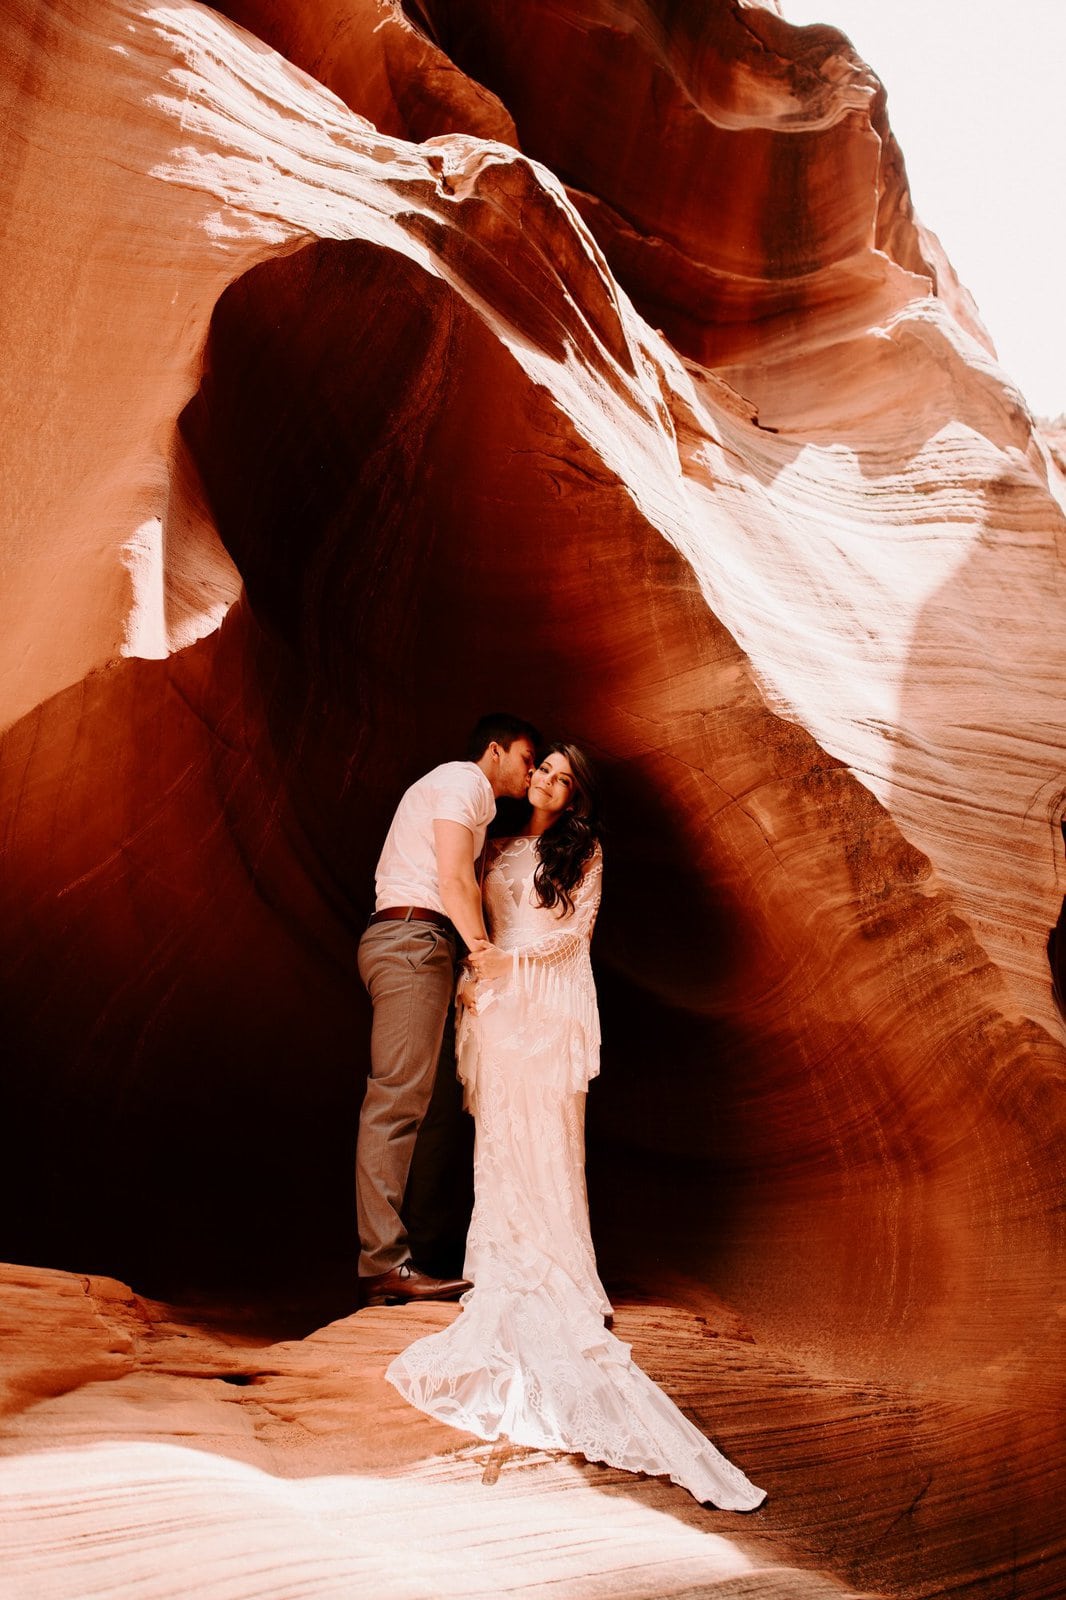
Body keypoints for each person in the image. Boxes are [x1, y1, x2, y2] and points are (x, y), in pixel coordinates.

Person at [385, 743, 766, 1510]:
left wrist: (511, 967)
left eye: (564, 779)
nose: (550, 784)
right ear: (527, 775)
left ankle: (555, 1260)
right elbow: (469, 904)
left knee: (550, 1142)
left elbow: (573, 936)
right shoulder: (495, 843)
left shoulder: (582, 850)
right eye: (545, 770)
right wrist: (476, 975)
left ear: (576, 795)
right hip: (494, 1004)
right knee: (498, 1142)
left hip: (545, 1005)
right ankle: (497, 1258)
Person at [356, 713, 539, 1308]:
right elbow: (455, 879)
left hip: (420, 944)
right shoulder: (464, 781)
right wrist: (483, 954)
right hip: (412, 940)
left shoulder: (469, 797)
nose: (531, 772)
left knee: (432, 1106)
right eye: (527, 758)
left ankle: (416, 1259)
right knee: (396, 1100)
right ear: (495, 751)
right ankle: (383, 1265)